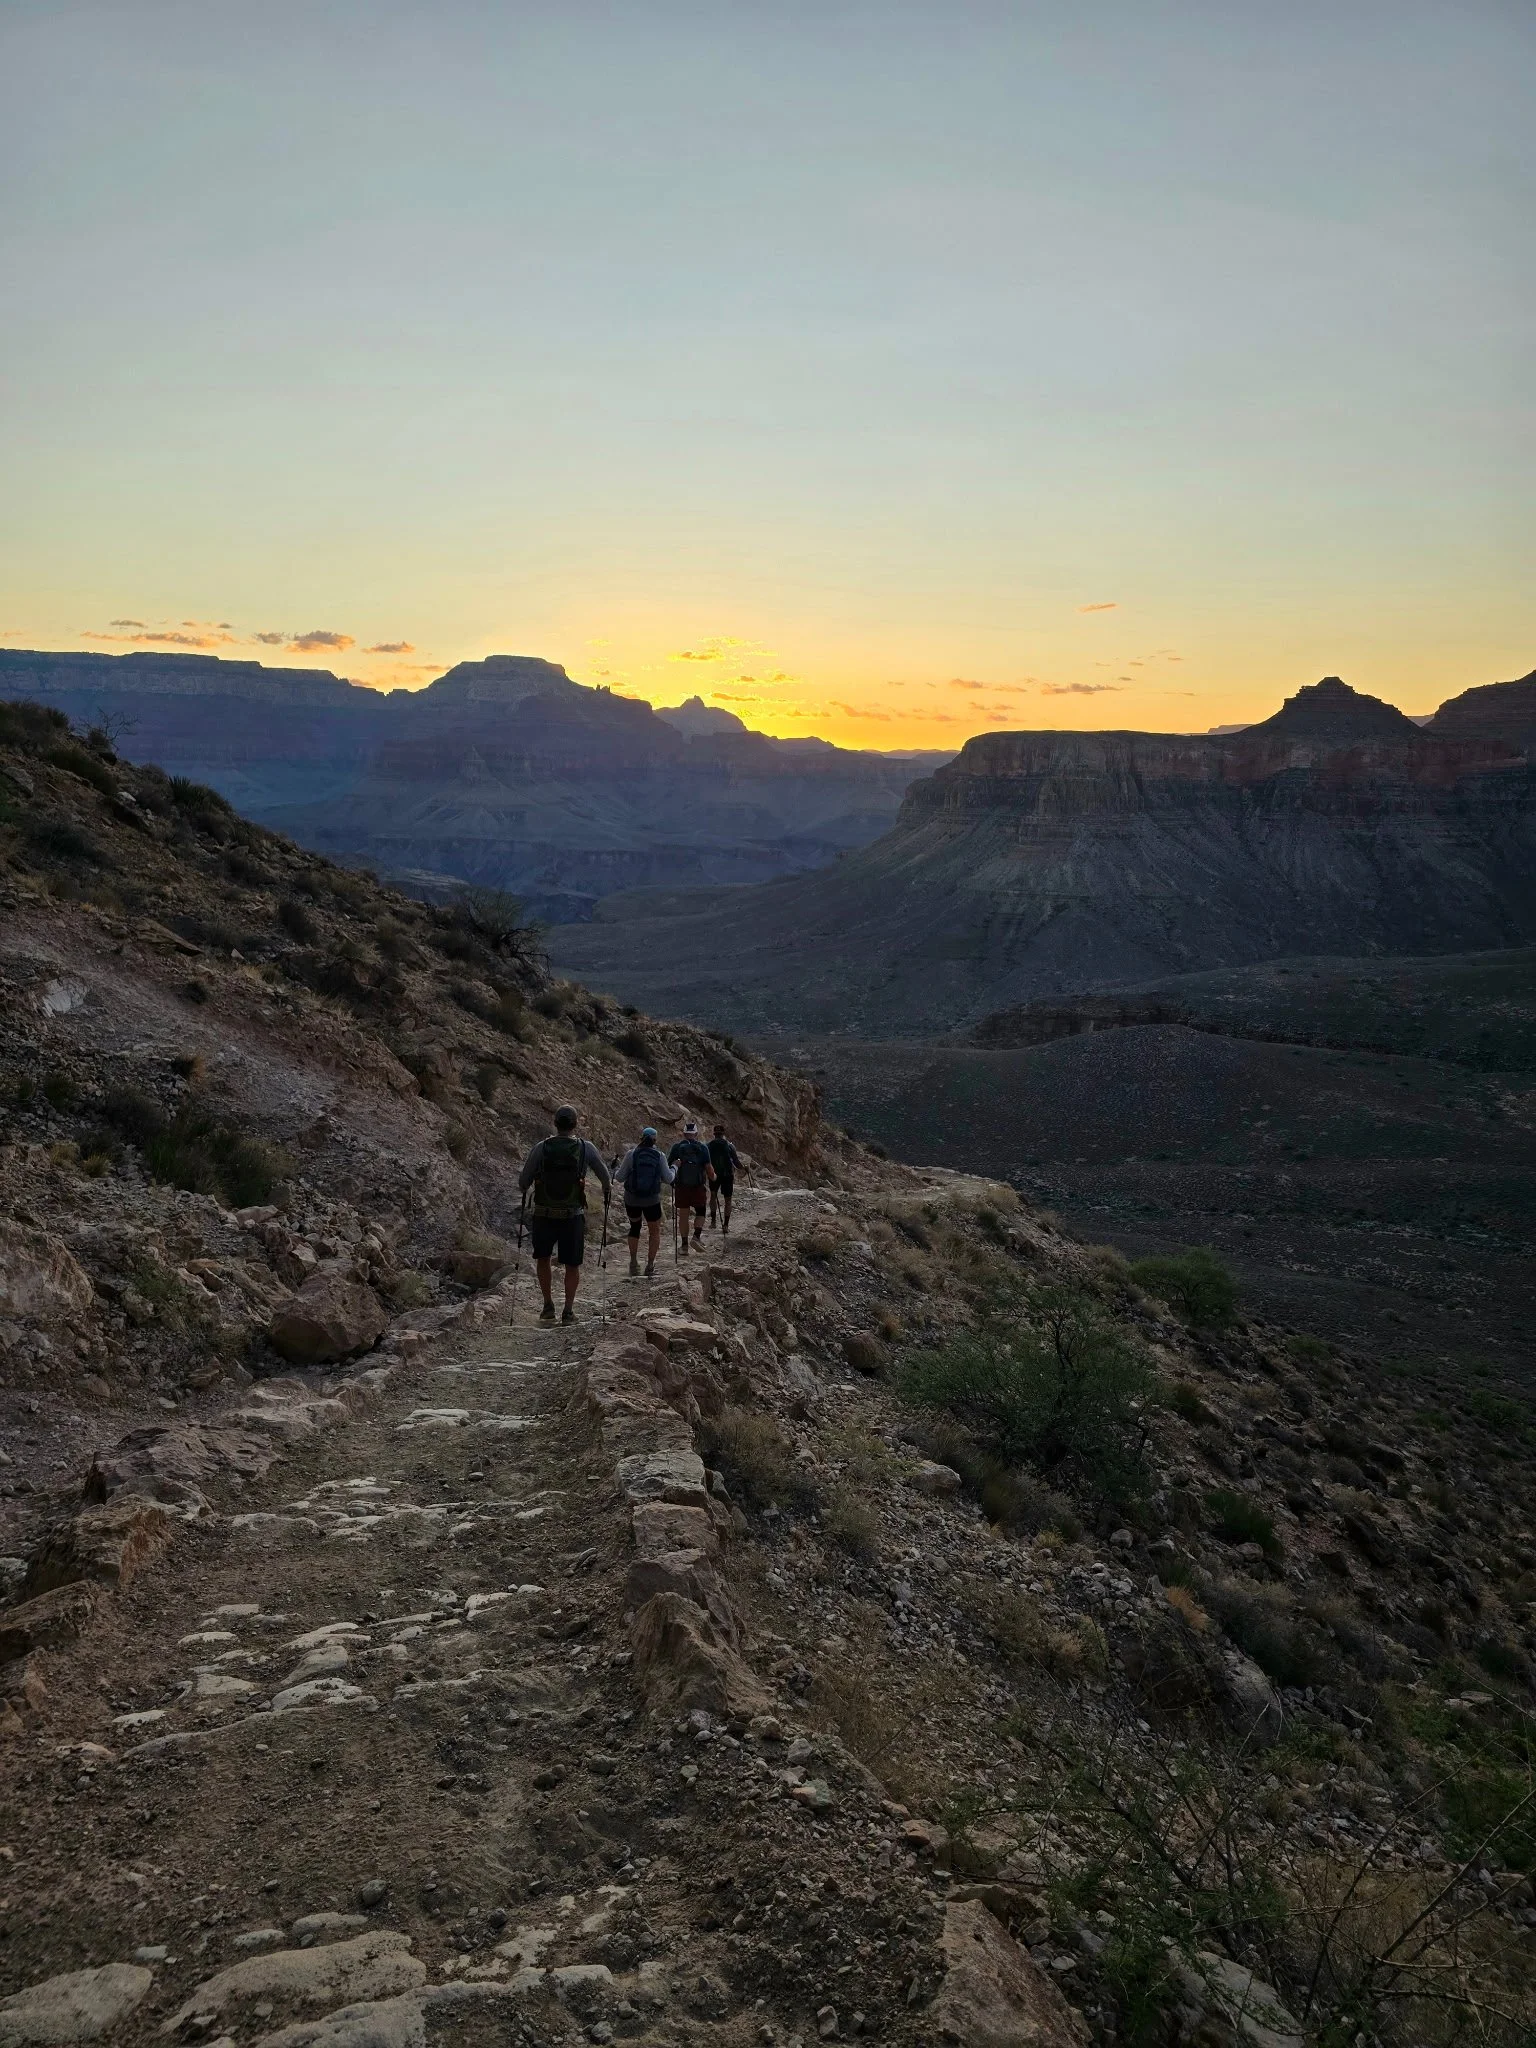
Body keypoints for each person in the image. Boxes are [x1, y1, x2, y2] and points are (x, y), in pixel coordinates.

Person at [517, 1105, 612, 1323]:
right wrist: (606, 1190)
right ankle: (568, 1311)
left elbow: (523, 1182)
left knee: (543, 1259)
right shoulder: (585, 1148)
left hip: (544, 1214)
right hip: (572, 1215)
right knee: (572, 1264)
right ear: (575, 1124)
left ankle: (547, 1306)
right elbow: (605, 1177)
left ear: (555, 1123)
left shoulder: (541, 1147)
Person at [614, 1125, 674, 1277]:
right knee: (654, 1231)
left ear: (641, 1138)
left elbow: (620, 1177)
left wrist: (613, 1169)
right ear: (655, 1140)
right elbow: (668, 1178)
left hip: (632, 1199)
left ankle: (633, 1262)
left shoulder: (631, 1154)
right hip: (651, 1200)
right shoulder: (659, 1155)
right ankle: (650, 1265)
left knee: (635, 1227)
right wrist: (675, 1168)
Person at [667, 1119, 712, 1254]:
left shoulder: (676, 1147)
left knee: (684, 1215)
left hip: (681, 1186)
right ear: (696, 1133)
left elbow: (670, 1165)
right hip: (698, 1186)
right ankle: (696, 1237)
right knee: (701, 1211)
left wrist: (672, 1182)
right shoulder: (703, 1147)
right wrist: (713, 1177)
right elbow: (708, 1167)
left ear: (684, 1133)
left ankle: (684, 1246)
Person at [707, 1122, 741, 1233]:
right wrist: (744, 1168)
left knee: (713, 1196)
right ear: (723, 1134)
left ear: (714, 1134)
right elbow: (736, 1162)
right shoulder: (730, 1146)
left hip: (714, 1175)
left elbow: (705, 1161)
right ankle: (725, 1225)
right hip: (727, 1175)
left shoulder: (708, 1146)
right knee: (728, 1200)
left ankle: (713, 1221)